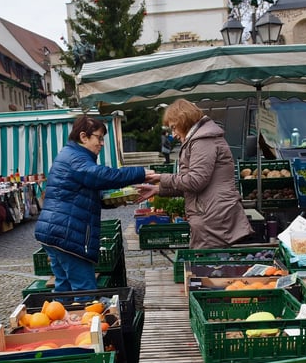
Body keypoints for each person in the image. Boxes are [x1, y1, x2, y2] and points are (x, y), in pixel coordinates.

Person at [35, 115, 159, 292]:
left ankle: (64, 318)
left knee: (64, 289)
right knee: (84, 290)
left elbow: (82, 193)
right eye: (99, 138)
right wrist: (140, 173)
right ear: (84, 137)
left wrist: (114, 200)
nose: (101, 143)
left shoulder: (71, 154)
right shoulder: (76, 158)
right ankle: (85, 317)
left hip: (55, 231)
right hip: (67, 235)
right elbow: (102, 176)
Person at [136, 99, 254, 249]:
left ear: (183, 120)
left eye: (174, 128)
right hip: (210, 215)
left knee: (210, 266)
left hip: (213, 217)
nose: (173, 134)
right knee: (207, 266)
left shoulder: (203, 141)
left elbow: (196, 181)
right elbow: (192, 184)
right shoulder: (198, 140)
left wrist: (162, 178)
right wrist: (158, 190)